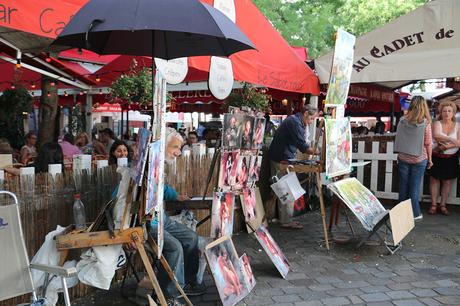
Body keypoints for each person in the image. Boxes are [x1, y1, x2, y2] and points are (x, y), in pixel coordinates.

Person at [148, 127, 206, 300]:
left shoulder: (157, 165)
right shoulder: (147, 164)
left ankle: (188, 283)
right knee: (175, 248)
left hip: (160, 218)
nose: (178, 153)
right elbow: (125, 192)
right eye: (175, 147)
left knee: (191, 238)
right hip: (148, 222)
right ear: (163, 145)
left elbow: (161, 188)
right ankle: (170, 296)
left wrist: (175, 195)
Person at [268, 105, 318, 229]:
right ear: (305, 113)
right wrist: (319, 152)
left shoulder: (296, 120)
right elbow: (303, 147)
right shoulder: (295, 122)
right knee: (287, 189)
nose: (311, 122)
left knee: (284, 188)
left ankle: (283, 219)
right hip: (281, 158)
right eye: (311, 118)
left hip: (282, 157)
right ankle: (285, 221)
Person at [394, 96, 432, 220]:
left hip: (403, 157)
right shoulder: (425, 123)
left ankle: (401, 212)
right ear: (424, 107)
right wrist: (430, 159)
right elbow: (428, 143)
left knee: (403, 186)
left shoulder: (402, 120)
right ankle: (415, 213)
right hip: (419, 159)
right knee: (414, 187)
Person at [428, 101, 459, 216]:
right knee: (434, 180)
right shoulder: (437, 123)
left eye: (449, 111)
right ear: (441, 112)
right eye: (444, 111)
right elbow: (436, 135)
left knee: (447, 181)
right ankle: (433, 205)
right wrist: (452, 140)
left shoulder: (458, 125)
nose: (447, 113)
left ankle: (443, 205)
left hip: (451, 157)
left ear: (453, 113)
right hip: (437, 156)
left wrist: (447, 145)